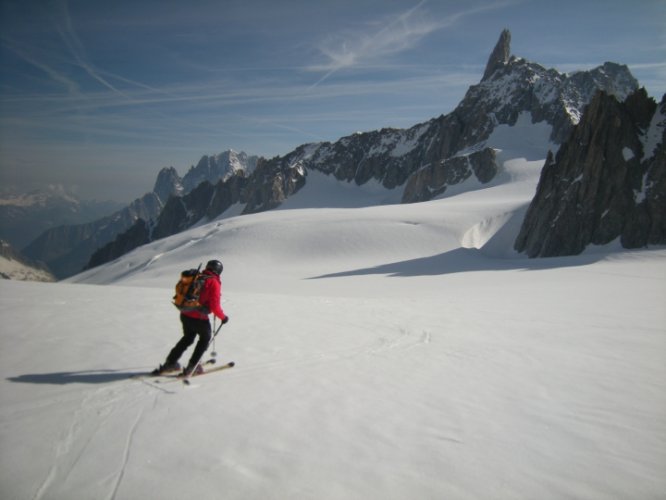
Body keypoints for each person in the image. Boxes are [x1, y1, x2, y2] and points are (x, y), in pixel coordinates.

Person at [153, 259, 229, 376]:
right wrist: (223, 317)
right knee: (204, 339)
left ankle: (170, 363)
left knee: (187, 338)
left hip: (185, 314)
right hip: (199, 318)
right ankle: (193, 367)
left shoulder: (197, 277)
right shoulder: (213, 282)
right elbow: (215, 306)